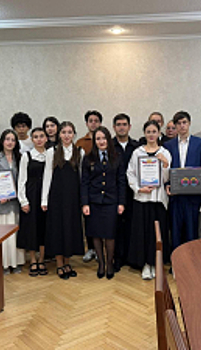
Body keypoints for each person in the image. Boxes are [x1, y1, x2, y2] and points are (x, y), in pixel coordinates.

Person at [127, 120, 171, 280]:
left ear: (159, 133)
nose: (151, 134)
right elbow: (130, 173)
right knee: (143, 232)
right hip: (142, 198)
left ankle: (155, 263)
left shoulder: (165, 152)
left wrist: (165, 165)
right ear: (144, 133)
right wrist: (139, 188)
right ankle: (146, 264)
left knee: (156, 234)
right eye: (148, 131)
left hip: (158, 199)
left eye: (154, 131)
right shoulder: (137, 152)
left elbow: (166, 178)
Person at [81, 126, 126, 279]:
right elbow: (85, 183)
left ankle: (110, 263)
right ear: (95, 141)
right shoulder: (89, 158)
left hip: (111, 201)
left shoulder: (117, 157)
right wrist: (85, 203)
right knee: (96, 234)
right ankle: (100, 263)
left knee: (110, 234)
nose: (101, 141)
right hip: (94, 202)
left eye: (104, 138)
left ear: (108, 139)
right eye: (98, 139)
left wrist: (121, 202)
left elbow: (121, 181)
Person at [42, 121, 85, 279]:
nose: (67, 135)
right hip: (56, 198)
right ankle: (59, 264)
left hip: (73, 198)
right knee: (58, 230)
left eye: (69, 132)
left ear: (74, 134)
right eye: (64, 132)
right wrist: (44, 200)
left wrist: (82, 200)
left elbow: (81, 178)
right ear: (59, 134)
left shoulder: (79, 152)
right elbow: (47, 176)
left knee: (70, 229)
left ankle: (68, 262)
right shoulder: (51, 152)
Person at [163, 111, 201, 250]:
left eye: (184, 123)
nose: (182, 126)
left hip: (193, 194)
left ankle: (191, 261)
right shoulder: (168, 145)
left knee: (192, 230)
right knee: (176, 230)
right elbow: (165, 168)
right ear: (175, 126)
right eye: (179, 123)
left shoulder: (200, 143)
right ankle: (176, 262)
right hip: (175, 196)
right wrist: (167, 185)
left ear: (189, 124)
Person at [0, 130, 25, 274]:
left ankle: (16, 263)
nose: (10, 142)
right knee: (2, 235)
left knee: (15, 235)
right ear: (2, 141)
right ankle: (3, 264)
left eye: (13, 140)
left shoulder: (20, 158)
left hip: (15, 203)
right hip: (0, 204)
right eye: (7, 139)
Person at [17, 128, 49, 277]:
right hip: (31, 196)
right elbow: (21, 180)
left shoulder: (51, 155)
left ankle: (42, 259)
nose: (39, 139)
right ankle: (33, 261)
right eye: (35, 137)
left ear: (46, 138)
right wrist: (23, 201)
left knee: (44, 228)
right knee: (31, 229)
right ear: (32, 139)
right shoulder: (26, 156)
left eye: (41, 136)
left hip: (45, 197)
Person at [112, 113, 139, 271]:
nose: (122, 127)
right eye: (118, 124)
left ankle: (131, 257)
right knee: (116, 226)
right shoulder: (109, 146)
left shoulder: (136, 147)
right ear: (114, 127)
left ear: (129, 127)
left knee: (131, 225)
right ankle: (118, 257)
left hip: (134, 192)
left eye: (124, 124)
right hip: (114, 193)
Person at [76, 110, 102, 262]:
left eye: (96, 120)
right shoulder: (80, 143)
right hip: (87, 186)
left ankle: (101, 250)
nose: (93, 123)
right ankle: (91, 248)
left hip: (102, 187)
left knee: (101, 220)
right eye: (91, 121)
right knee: (89, 219)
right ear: (86, 123)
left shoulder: (105, 140)